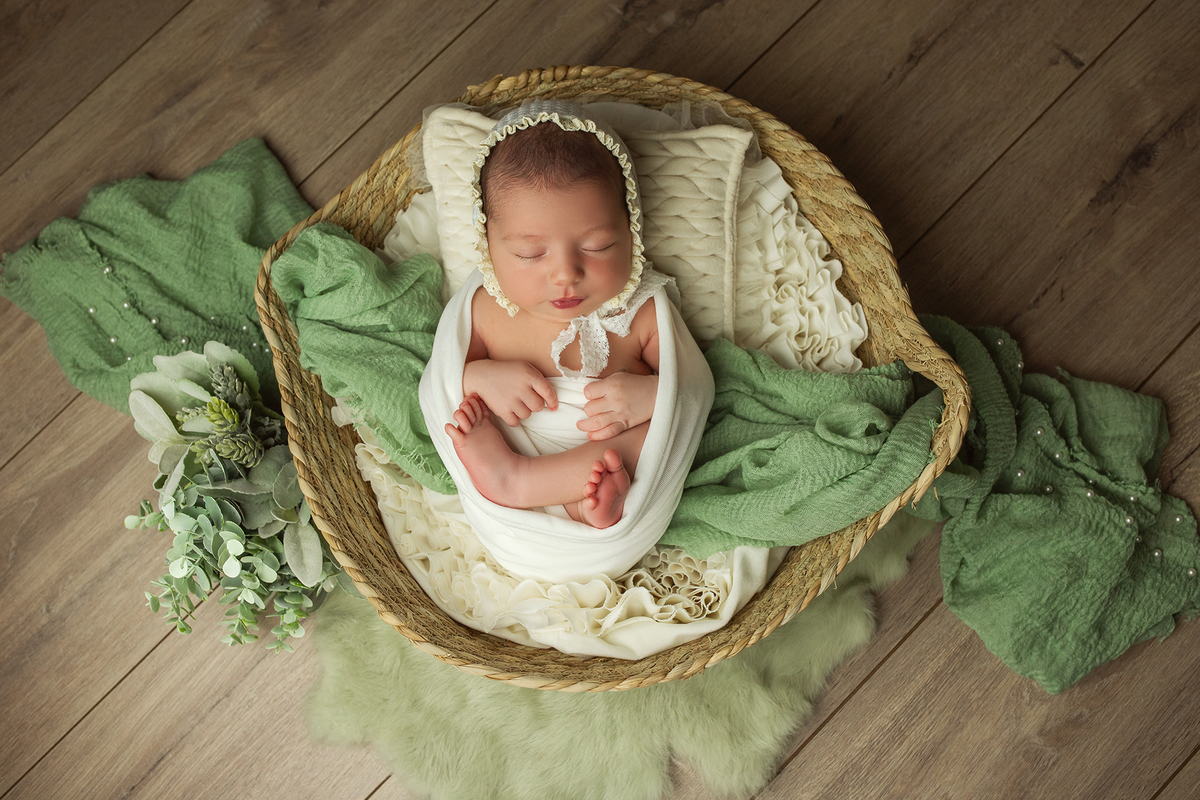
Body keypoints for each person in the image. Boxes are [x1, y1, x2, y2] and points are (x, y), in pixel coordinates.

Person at [442, 106, 669, 529]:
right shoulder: (484, 308)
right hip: (518, 458)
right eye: (530, 254)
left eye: (598, 245)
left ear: (631, 229)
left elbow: (693, 391)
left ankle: (559, 498)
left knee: (654, 434)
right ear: (489, 247)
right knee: (471, 425)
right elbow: (442, 380)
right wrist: (479, 377)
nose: (566, 274)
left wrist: (654, 395)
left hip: (612, 471)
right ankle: (531, 486)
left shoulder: (643, 309)